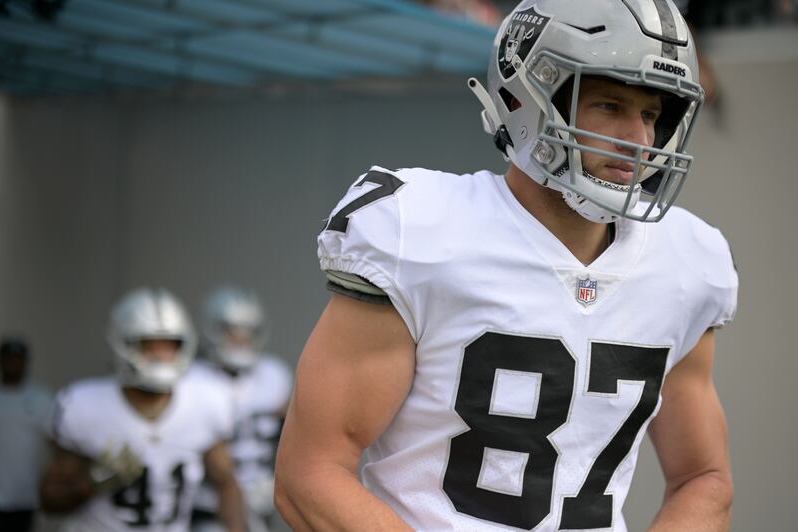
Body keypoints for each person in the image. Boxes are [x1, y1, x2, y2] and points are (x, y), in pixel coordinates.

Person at [275, 0, 738, 530]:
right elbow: (309, 473)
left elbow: (704, 479)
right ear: (530, 97)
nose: (638, 139)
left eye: (651, 114)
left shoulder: (686, 263)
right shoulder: (420, 230)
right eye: (610, 106)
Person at [39, 288, 247, 532]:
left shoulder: (205, 402)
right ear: (123, 343)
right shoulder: (82, 406)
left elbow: (227, 484)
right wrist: (91, 483)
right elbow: (48, 501)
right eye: (149, 345)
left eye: (169, 346)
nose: (160, 356)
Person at [190, 286, 292, 532]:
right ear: (213, 330)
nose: (240, 339)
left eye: (248, 332)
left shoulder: (273, 374)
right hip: (209, 504)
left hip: (261, 499)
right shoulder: (193, 380)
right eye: (231, 331)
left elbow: (290, 434)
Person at [0, 337, 52, 532]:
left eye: (17, 358)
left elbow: (55, 441)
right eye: (8, 358)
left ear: (26, 362)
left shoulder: (40, 398)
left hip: (27, 495)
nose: (13, 363)